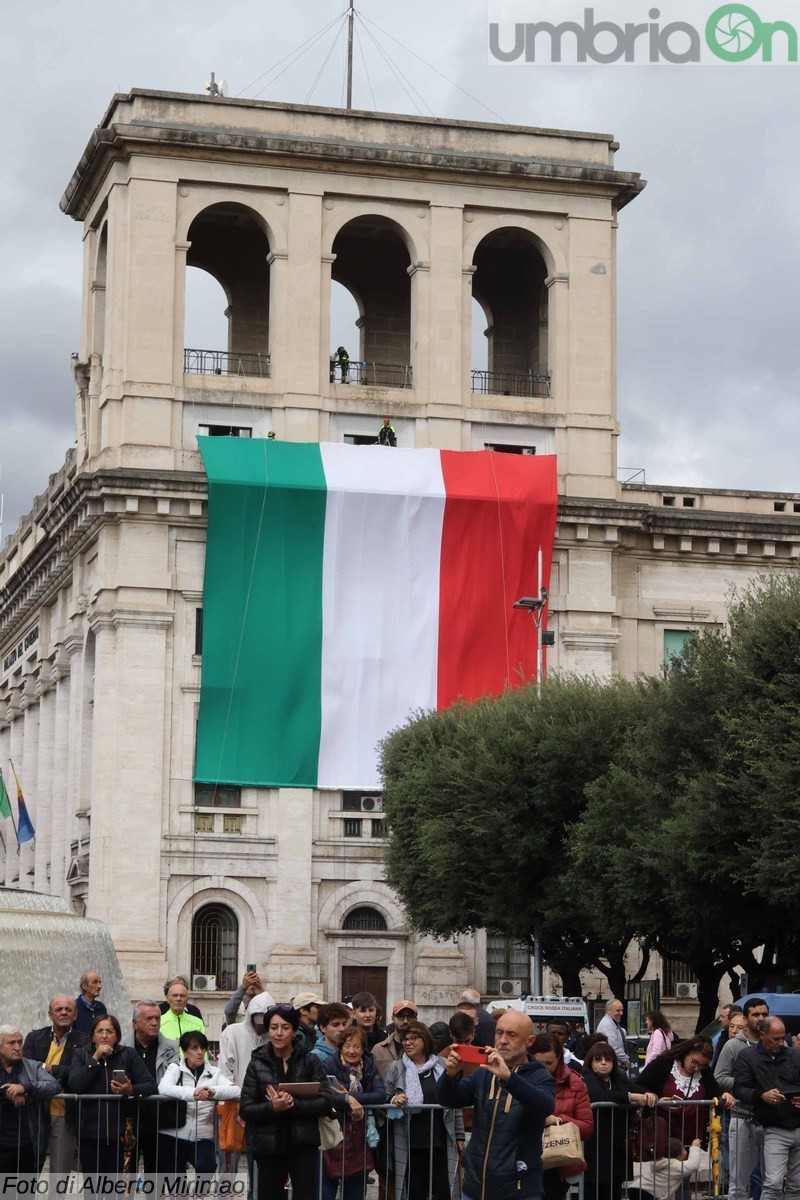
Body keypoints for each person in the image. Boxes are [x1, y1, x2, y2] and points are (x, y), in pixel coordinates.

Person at [439, 1010, 555, 1200]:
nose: (502, 1040)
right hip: (475, 1188)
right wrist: (450, 1075)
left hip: (519, 1189)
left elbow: (545, 1106)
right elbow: (449, 1099)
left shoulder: (540, 1076)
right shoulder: (484, 1072)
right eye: (499, 1032)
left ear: (530, 1042)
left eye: (512, 1035)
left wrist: (509, 1078)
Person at [239, 1002, 334, 1200]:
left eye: (285, 1027)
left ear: (294, 1030)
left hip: (303, 1145)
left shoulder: (310, 1061)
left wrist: (293, 1105)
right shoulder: (256, 1064)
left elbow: (325, 1101)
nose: (279, 1033)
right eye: (274, 1028)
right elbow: (246, 1108)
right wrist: (272, 1107)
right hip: (268, 1146)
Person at [68, 1013, 157, 1176]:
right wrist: (94, 1059)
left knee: (119, 1190)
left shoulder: (128, 1055)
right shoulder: (81, 1054)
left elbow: (150, 1085)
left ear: (117, 1036)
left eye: (109, 1031)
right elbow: (75, 1085)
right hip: (90, 1134)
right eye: (99, 1031)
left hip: (122, 1136)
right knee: (93, 1188)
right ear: (92, 1035)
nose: (104, 1036)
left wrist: (130, 1090)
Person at [385, 1020, 464, 1200]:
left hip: (441, 1139)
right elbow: (385, 1097)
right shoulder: (396, 1068)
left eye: (413, 1038)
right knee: (414, 1192)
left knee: (444, 1191)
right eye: (405, 1039)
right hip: (409, 1140)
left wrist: (459, 1135)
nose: (408, 1043)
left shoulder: (442, 1065)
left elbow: (455, 1099)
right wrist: (393, 1099)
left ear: (425, 1040)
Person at [157, 1030, 240, 1184]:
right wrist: (192, 1093)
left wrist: (213, 1092)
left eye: (203, 1048)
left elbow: (236, 1090)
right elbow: (163, 1088)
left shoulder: (214, 1073)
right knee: (176, 1183)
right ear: (184, 1051)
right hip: (173, 1134)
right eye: (194, 1048)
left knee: (208, 1168)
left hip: (203, 1135)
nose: (200, 1052)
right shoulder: (175, 1068)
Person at [734, 1016, 800, 1200]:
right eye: (775, 1038)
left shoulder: (795, 1055)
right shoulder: (748, 1056)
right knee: (773, 1183)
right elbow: (739, 1088)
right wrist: (761, 1096)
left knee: (797, 1185)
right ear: (762, 1035)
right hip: (773, 1127)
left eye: (783, 1037)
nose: (781, 1043)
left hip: (797, 1124)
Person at [582, 1042, 657, 1200]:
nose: (603, 1063)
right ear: (591, 1062)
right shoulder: (587, 1077)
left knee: (615, 1187)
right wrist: (630, 1097)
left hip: (618, 1143)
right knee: (594, 1187)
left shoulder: (617, 1077)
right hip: (595, 1144)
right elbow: (598, 1095)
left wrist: (650, 1095)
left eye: (608, 1059)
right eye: (598, 1059)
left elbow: (637, 1089)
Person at [22, 995, 88, 1175]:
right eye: (59, 1009)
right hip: (35, 1113)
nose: (64, 1012)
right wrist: (60, 1072)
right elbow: (27, 1070)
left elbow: (78, 1076)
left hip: (64, 1115)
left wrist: (48, 1068)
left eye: (68, 1009)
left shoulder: (85, 1041)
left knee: (60, 1173)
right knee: (28, 1170)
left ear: (75, 1015)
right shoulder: (35, 1037)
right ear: (50, 1014)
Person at [635, 1036, 733, 1147]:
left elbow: (715, 1091)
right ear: (687, 1053)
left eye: (702, 1065)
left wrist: (724, 1094)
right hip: (664, 1137)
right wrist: (657, 1100)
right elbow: (638, 1085)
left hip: (693, 1140)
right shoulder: (664, 1063)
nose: (697, 1068)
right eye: (694, 1062)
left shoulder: (704, 1072)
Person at [324, 1024, 385, 1200]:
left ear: (363, 1048)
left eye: (356, 1046)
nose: (352, 1051)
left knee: (355, 1191)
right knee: (327, 1190)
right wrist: (347, 1100)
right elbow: (325, 1095)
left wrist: (350, 1096)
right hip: (333, 1134)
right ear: (340, 1047)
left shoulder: (369, 1065)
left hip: (359, 1135)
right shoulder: (329, 1064)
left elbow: (380, 1095)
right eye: (348, 1046)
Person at [717, 998, 769, 1200]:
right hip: (741, 1115)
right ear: (746, 1018)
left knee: (769, 1179)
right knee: (738, 1181)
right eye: (756, 1014)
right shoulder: (732, 1046)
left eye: (764, 1014)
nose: (761, 1018)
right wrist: (747, 1086)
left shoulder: (773, 1043)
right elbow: (720, 1078)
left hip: (770, 1119)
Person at [532, 1033, 594, 1200]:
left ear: (559, 1057)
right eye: (539, 1063)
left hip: (557, 1163)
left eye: (549, 1063)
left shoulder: (574, 1082)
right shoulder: (521, 1077)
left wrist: (558, 1119)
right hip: (523, 1161)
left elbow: (587, 1127)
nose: (544, 1068)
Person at [121, 999, 180, 1171]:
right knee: (126, 1172)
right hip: (128, 1118)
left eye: (157, 1019)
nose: (154, 1023)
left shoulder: (172, 1048)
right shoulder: (121, 1048)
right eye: (148, 1019)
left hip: (160, 1118)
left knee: (156, 1173)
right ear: (134, 1023)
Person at [0, 1024, 59, 1175]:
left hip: (28, 1146)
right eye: (11, 1043)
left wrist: (25, 1088)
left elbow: (53, 1085)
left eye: (20, 1042)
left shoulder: (33, 1067)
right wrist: (9, 1091)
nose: (18, 1047)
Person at [629, 1137, 706, 1200]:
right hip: (647, 1193)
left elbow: (668, 1193)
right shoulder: (673, 1165)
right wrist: (695, 1148)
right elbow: (693, 1164)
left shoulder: (662, 1162)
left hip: (637, 1188)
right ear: (679, 1157)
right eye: (684, 1149)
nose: (686, 1151)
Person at [373, 1002, 418, 1081]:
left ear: (415, 1019)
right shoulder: (378, 1050)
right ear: (393, 1018)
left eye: (410, 1016)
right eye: (400, 1016)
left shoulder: (421, 1049)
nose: (405, 1021)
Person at [311, 1002, 356, 1071]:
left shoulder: (352, 1052)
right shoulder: (316, 1057)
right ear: (323, 1028)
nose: (342, 1029)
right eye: (335, 1025)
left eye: (344, 1024)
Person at [160, 978, 205, 1042]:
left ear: (187, 998)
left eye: (182, 995)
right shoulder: (158, 1023)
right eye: (175, 995)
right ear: (167, 998)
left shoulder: (198, 1023)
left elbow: (203, 1048)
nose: (178, 999)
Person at [596, 999, 630, 1071]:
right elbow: (614, 1047)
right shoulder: (607, 1025)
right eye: (618, 1010)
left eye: (622, 1010)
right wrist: (626, 1060)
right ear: (609, 1010)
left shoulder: (613, 1023)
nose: (621, 1013)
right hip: (612, 1067)